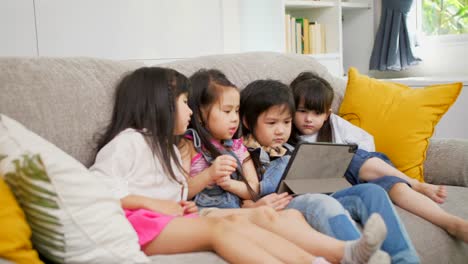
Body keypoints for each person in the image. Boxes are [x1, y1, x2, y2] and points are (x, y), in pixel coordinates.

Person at [89, 66, 332, 264]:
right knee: (221, 229)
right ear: (159, 104)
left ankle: (316, 260)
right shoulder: (127, 142)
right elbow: (98, 191)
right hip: (137, 225)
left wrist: (182, 206)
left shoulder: (167, 149)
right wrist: (154, 204)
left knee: (240, 221)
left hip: (168, 221)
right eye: (184, 103)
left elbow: (174, 193)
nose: (190, 111)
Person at [179, 68, 390, 264]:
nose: (234, 119)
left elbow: (253, 189)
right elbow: (179, 190)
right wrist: (209, 175)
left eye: (236, 111)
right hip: (212, 210)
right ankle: (345, 253)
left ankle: (348, 252)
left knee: (294, 215)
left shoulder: (237, 147)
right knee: (274, 214)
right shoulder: (189, 146)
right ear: (198, 114)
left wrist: (232, 187)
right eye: (227, 111)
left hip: (245, 204)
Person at [239, 79, 420, 264]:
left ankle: (405, 260)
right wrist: (257, 206)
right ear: (247, 121)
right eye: (271, 123)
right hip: (284, 204)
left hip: (315, 192)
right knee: (321, 201)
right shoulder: (241, 153)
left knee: (372, 191)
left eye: (287, 122)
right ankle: (361, 257)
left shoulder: (290, 147)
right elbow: (240, 202)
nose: (281, 130)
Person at [289, 71, 468, 244]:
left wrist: (349, 161)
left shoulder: (334, 124)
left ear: (327, 114)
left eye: (316, 113)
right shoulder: (285, 133)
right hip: (335, 186)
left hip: (361, 170)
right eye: (302, 111)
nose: (309, 119)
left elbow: (366, 141)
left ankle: (448, 221)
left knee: (378, 173)